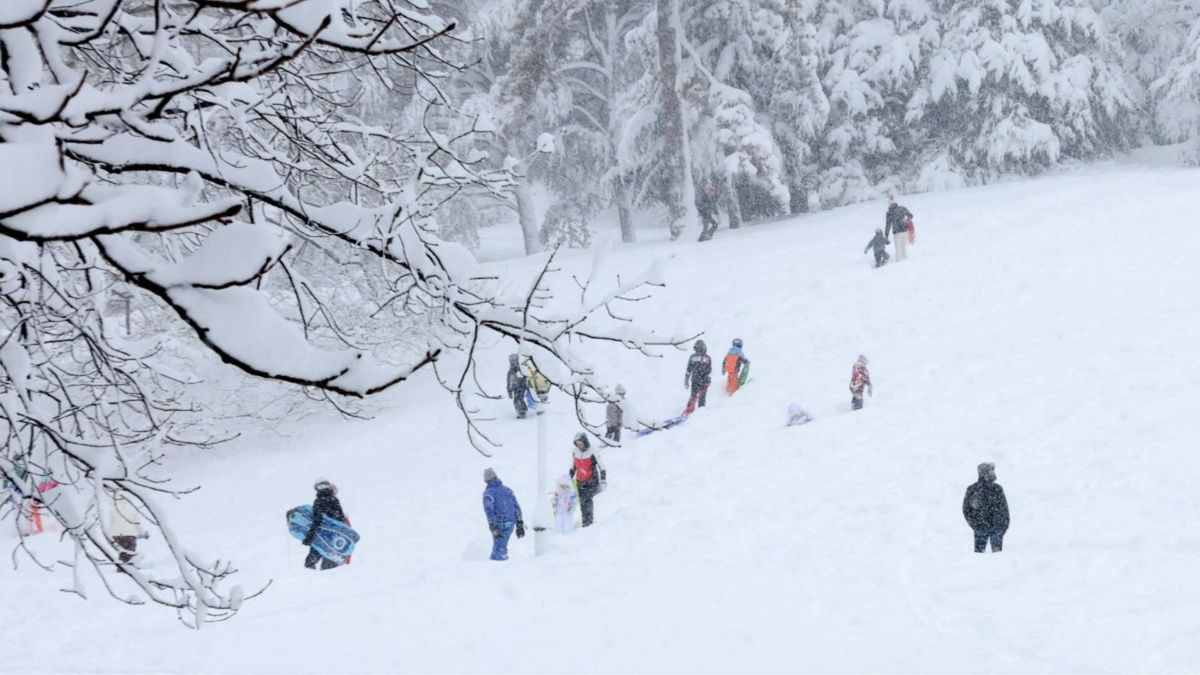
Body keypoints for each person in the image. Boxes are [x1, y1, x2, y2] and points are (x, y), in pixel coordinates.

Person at [963, 463, 1009, 553]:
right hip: (985, 527)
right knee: (982, 555)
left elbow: (1004, 508)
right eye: (990, 470)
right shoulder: (973, 489)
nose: (993, 472)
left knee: (995, 556)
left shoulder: (997, 488)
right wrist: (974, 524)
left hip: (994, 528)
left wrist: (1004, 525)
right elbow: (966, 509)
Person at [303, 479, 347, 571]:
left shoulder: (319, 501)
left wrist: (310, 536)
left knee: (315, 554)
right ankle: (328, 571)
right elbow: (340, 518)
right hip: (335, 534)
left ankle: (311, 572)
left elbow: (317, 520)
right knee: (330, 560)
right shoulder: (333, 499)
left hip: (322, 533)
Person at [482, 468, 524, 561]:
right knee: (500, 546)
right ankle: (497, 564)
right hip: (511, 522)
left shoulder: (488, 493)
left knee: (499, 548)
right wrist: (519, 523)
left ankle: (499, 566)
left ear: (486, 481)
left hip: (500, 523)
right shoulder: (508, 490)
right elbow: (516, 507)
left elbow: (489, 511)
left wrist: (493, 526)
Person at [568, 433, 606, 528]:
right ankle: (585, 522)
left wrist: (603, 481)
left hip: (591, 481)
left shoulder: (593, 451)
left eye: (581, 444)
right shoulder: (575, 452)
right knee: (582, 503)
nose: (579, 446)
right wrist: (570, 477)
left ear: (585, 442)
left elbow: (602, 467)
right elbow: (573, 466)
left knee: (588, 501)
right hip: (580, 481)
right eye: (577, 444)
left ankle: (589, 523)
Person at [109, 493, 148, 564]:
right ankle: (125, 568)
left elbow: (111, 524)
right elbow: (137, 524)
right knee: (129, 556)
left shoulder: (113, 509)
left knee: (122, 554)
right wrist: (144, 533)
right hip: (129, 536)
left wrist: (110, 536)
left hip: (116, 536)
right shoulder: (132, 509)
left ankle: (122, 567)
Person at [682, 339, 713, 416]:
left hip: (700, 380)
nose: (698, 350)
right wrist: (686, 380)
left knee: (696, 396)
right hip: (699, 380)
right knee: (698, 396)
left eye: (699, 348)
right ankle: (694, 410)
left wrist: (708, 379)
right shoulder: (702, 357)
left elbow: (709, 370)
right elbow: (689, 369)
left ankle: (696, 411)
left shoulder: (697, 357)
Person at [884, 196, 913, 262]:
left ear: (889, 204)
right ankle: (906, 261)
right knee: (903, 247)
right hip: (905, 231)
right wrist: (906, 221)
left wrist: (886, 236)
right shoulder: (902, 208)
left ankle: (899, 263)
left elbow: (888, 225)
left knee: (898, 249)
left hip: (897, 233)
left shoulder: (889, 213)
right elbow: (911, 215)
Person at [506, 354, 529, 419]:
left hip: (522, 386)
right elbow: (509, 381)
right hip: (516, 388)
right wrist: (509, 391)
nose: (513, 362)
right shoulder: (511, 371)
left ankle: (523, 411)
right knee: (516, 399)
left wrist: (528, 385)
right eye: (511, 361)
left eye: (514, 360)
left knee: (519, 398)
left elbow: (527, 377)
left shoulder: (522, 369)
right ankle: (521, 411)